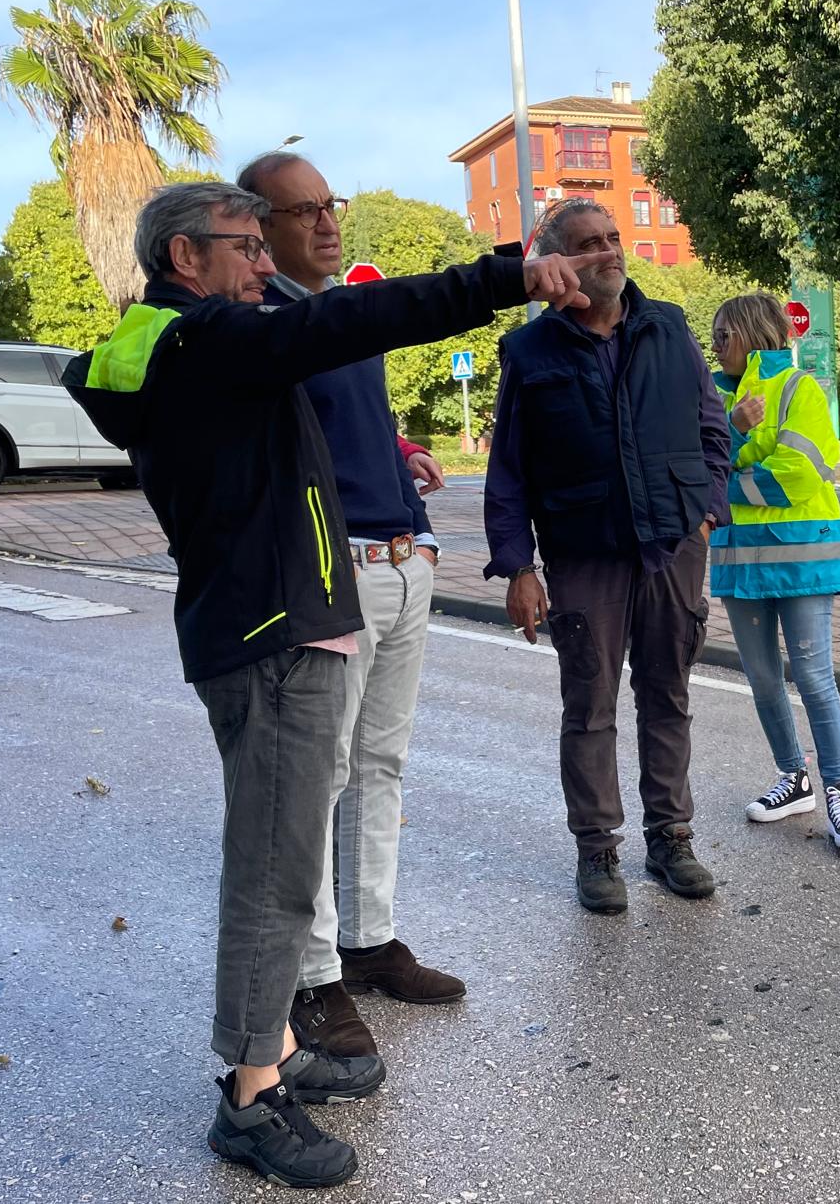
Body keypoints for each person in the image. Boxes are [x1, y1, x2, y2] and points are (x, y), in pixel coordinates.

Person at [63, 180, 601, 1187]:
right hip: (273, 635)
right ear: (187, 259)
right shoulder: (203, 342)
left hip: (277, 621)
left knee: (288, 854)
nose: (266, 266)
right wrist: (506, 275)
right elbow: (361, 313)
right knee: (274, 870)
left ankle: (270, 1044)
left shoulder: (187, 348)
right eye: (246, 247)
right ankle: (251, 1096)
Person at [239, 151, 459, 1061]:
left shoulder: (336, 320)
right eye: (303, 211)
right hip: (338, 579)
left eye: (331, 205)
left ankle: (368, 941)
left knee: (382, 765)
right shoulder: (265, 328)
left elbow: (343, 423)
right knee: (321, 775)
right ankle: (316, 977)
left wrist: (399, 453)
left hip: (404, 559)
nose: (328, 222)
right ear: (260, 229)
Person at [483, 199, 731, 914]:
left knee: (668, 698)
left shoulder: (667, 326)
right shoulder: (531, 353)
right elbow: (509, 471)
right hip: (584, 552)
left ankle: (671, 838)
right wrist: (519, 567)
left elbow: (711, 427)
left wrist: (707, 508)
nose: (610, 252)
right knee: (588, 706)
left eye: (614, 239)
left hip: (672, 546)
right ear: (560, 263)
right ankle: (597, 850)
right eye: (590, 244)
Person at [707, 292, 840, 847]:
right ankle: (793, 778)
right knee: (764, 680)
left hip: (801, 558)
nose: (716, 345)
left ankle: (839, 793)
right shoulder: (710, 395)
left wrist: (726, 483)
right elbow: (686, 465)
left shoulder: (801, 390)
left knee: (815, 679)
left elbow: (799, 473)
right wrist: (732, 428)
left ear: (751, 333)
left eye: (724, 334)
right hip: (739, 561)